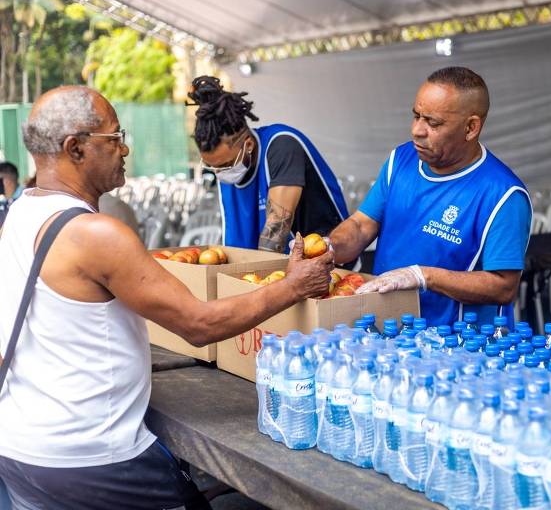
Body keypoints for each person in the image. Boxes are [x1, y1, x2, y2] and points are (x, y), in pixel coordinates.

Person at [0, 86, 334, 509]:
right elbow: (200, 324)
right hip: (92, 460)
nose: (125, 149)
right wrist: (296, 285)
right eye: (114, 137)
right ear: (75, 149)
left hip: (21, 449)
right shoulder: (96, 234)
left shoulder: (20, 212)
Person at [330, 66, 532, 327]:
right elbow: (361, 225)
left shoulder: (503, 194)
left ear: (471, 128)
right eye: (416, 116)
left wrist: (424, 276)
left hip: (458, 351)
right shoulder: (400, 160)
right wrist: (329, 247)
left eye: (432, 122)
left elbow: (503, 286)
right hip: (389, 334)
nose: (417, 130)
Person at [187, 75, 349, 253]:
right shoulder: (228, 168)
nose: (219, 173)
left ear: (248, 145)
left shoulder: (282, 145)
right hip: (275, 271)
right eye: (212, 167)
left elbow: (275, 234)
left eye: (225, 165)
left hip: (330, 267)